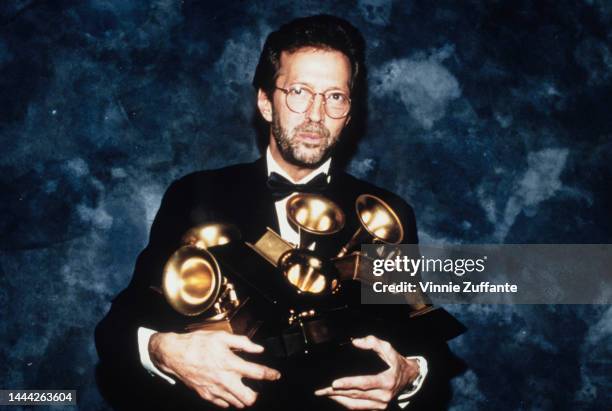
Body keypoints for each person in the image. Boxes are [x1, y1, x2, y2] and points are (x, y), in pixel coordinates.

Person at [95, 14, 465, 411]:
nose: (316, 115)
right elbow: (119, 327)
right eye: (300, 92)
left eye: (335, 96)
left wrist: (410, 375)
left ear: (350, 111)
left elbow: (423, 342)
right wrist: (163, 350)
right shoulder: (195, 195)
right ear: (266, 103)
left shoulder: (389, 213)